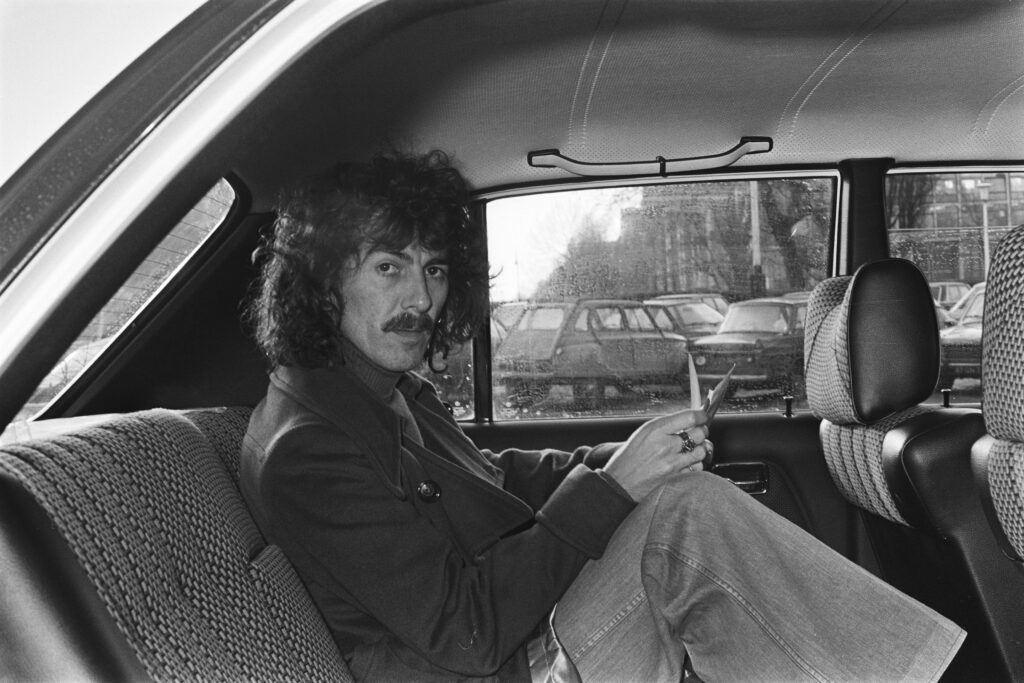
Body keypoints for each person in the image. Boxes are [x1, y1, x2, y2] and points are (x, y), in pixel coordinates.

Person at [240, 150, 965, 682]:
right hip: (502, 668)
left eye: (433, 269)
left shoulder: (378, 392)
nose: (422, 299)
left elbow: (496, 476)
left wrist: (622, 459)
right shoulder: (309, 448)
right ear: (323, 280)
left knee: (674, 500)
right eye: (389, 267)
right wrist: (618, 487)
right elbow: (468, 634)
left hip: (525, 641)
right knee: (680, 521)